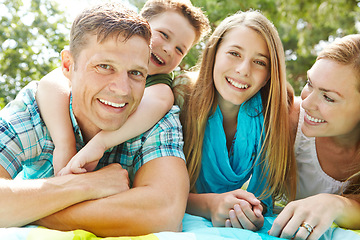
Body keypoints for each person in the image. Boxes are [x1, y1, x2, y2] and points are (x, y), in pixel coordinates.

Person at [0, 3, 190, 237]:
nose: (122, 90)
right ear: (68, 66)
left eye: (136, 73)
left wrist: (24, 208)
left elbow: (165, 211)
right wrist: (86, 185)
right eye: (104, 67)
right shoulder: (36, 107)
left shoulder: (158, 117)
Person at [36, 0, 210, 176]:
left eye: (180, 49)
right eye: (164, 35)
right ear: (140, 26)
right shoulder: (93, 57)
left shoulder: (161, 85)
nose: (168, 49)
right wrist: (65, 143)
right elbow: (50, 84)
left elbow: (159, 100)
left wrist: (99, 144)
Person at [173, 10, 296, 231]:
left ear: (269, 74)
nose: (243, 70)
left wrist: (251, 211)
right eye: (234, 53)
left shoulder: (272, 113)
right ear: (214, 54)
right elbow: (161, 191)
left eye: (259, 62)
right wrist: (210, 205)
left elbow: (264, 200)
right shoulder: (180, 97)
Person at [269, 34, 360, 239]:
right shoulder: (288, 120)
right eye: (310, 83)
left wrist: (335, 204)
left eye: (328, 97)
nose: (307, 103)